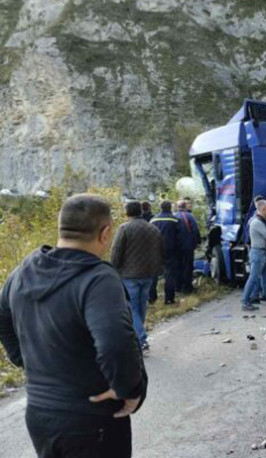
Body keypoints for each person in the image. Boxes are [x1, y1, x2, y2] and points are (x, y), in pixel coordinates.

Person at [0, 194, 147, 458]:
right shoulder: (98, 279)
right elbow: (115, 341)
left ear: (61, 227)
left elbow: (2, 317)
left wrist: (23, 358)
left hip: (40, 414)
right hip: (92, 418)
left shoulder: (24, 270)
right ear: (105, 232)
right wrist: (129, 389)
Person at [111, 201, 164, 351]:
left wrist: (112, 269)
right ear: (141, 211)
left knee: (131, 307)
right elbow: (160, 250)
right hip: (148, 273)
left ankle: (140, 338)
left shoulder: (124, 228)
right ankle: (138, 337)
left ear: (127, 213)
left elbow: (116, 251)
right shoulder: (153, 228)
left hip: (129, 274)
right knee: (141, 306)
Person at [241, 197, 266, 310]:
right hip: (258, 253)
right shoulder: (257, 222)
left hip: (261, 252)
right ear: (262, 209)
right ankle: (245, 301)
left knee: (265, 277)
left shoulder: (262, 220)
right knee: (253, 277)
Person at [150, 201, 185, 305]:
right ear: (170, 208)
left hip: (155, 250)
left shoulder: (153, 220)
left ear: (160, 208)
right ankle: (169, 298)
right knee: (169, 273)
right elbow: (180, 237)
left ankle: (151, 297)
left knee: (153, 274)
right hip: (171, 250)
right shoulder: (175, 220)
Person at [175, 200, 200, 294]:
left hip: (175, 247)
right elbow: (195, 230)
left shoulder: (173, 216)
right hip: (187, 246)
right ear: (185, 207)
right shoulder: (189, 216)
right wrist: (197, 242)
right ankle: (187, 288)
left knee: (177, 267)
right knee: (187, 267)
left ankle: (177, 287)